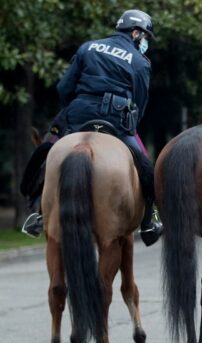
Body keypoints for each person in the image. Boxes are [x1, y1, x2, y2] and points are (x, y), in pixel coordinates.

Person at [20, 9, 162, 246]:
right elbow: (140, 102)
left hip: (78, 113)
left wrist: (71, 111)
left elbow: (65, 87)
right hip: (117, 119)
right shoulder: (140, 62)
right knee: (144, 164)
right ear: (136, 33)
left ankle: (37, 211)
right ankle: (149, 221)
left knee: (47, 150)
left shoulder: (88, 47)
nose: (146, 42)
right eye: (145, 37)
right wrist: (131, 126)